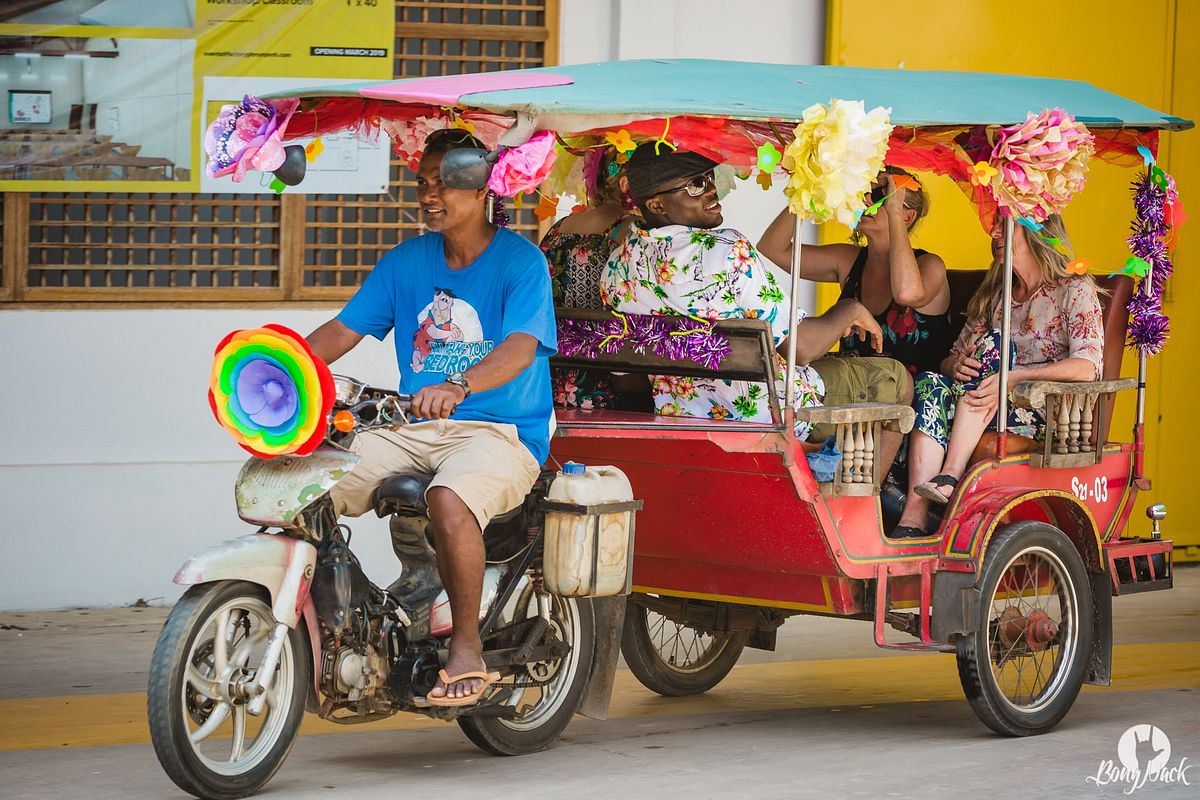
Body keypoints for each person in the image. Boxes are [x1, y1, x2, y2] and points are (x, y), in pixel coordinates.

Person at [306, 128, 556, 705]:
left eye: (445, 182)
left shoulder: (522, 262)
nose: (429, 194)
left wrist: (459, 384)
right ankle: (363, 617)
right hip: (411, 429)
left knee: (449, 498)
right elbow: (344, 331)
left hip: (500, 433)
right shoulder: (406, 262)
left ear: (482, 184)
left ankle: (465, 646)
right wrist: (278, 368)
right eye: (422, 182)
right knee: (306, 482)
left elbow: (521, 346)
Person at [600, 143, 912, 473]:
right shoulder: (725, 250)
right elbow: (801, 348)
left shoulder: (616, 267)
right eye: (696, 185)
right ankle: (867, 503)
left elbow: (626, 381)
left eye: (709, 178)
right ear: (657, 204)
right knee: (897, 378)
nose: (711, 191)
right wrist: (848, 309)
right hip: (771, 410)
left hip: (682, 414)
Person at [892, 214, 1104, 537]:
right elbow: (953, 356)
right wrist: (955, 366)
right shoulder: (998, 295)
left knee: (997, 344)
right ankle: (913, 517)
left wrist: (1013, 378)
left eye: (1005, 224)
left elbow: (1087, 367)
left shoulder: (1073, 291)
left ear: (1036, 229)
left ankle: (950, 474)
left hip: (1037, 413)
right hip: (981, 401)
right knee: (930, 384)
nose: (993, 232)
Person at [757, 167, 953, 376]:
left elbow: (906, 293)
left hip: (912, 403)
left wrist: (894, 210)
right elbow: (772, 248)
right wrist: (806, 191)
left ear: (907, 217)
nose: (867, 200)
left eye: (879, 195)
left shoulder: (930, 264)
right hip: (852, 398)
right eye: (862, 193)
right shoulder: (848, 260)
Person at [539, 147, 641, 410]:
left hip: (551, 367)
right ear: (628, 184)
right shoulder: (628, 229)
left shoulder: (560, 226)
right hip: (602, 373)